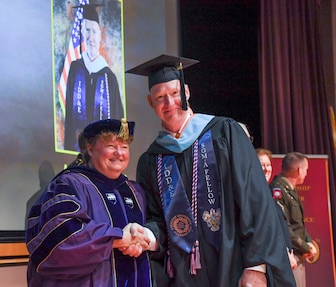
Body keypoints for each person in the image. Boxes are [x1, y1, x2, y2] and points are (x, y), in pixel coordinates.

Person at [127, 54, 296, 286]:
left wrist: (256, 268)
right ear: (150, 103)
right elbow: (158, 218)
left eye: (174, 94)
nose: (169, 103)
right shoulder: (152, 160)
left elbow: (255, 200)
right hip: (186, 276)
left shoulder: (225, 133)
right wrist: (148, 235)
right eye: (160, 98)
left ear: (186, 92)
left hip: (236, 266)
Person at [25, 118, 152, 287]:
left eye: (124, 147)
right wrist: (118, 238)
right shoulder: (68, 185)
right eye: (111, 146)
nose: (119, 153)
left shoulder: (136, 191)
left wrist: (142, 239)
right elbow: (61, 238)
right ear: (90, 149)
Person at [63, 4, 124, 151]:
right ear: (82, 33)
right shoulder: (75, 68)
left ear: (100, 35)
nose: (90, 36)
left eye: (94, 31)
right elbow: (70, 117)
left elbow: (118, 118)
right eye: (87, 30)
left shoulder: (109, 77)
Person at [269, 152, 317, 287]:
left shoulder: (290, 189)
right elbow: (284, 226)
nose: (306, 173)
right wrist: (306, 246)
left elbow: (298, 224)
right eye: (306, 169)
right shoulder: (277, 189)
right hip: (289, 256)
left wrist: (308, 242)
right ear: (299, 170)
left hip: (298, 254)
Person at [255, 148, 297, 270]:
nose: (267, 169)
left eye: (268, 165)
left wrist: (289, 251)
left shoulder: (268, 191)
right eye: (262, 165)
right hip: (270, 260)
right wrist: (284, 251)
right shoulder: (254, 193)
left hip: (282, 259)